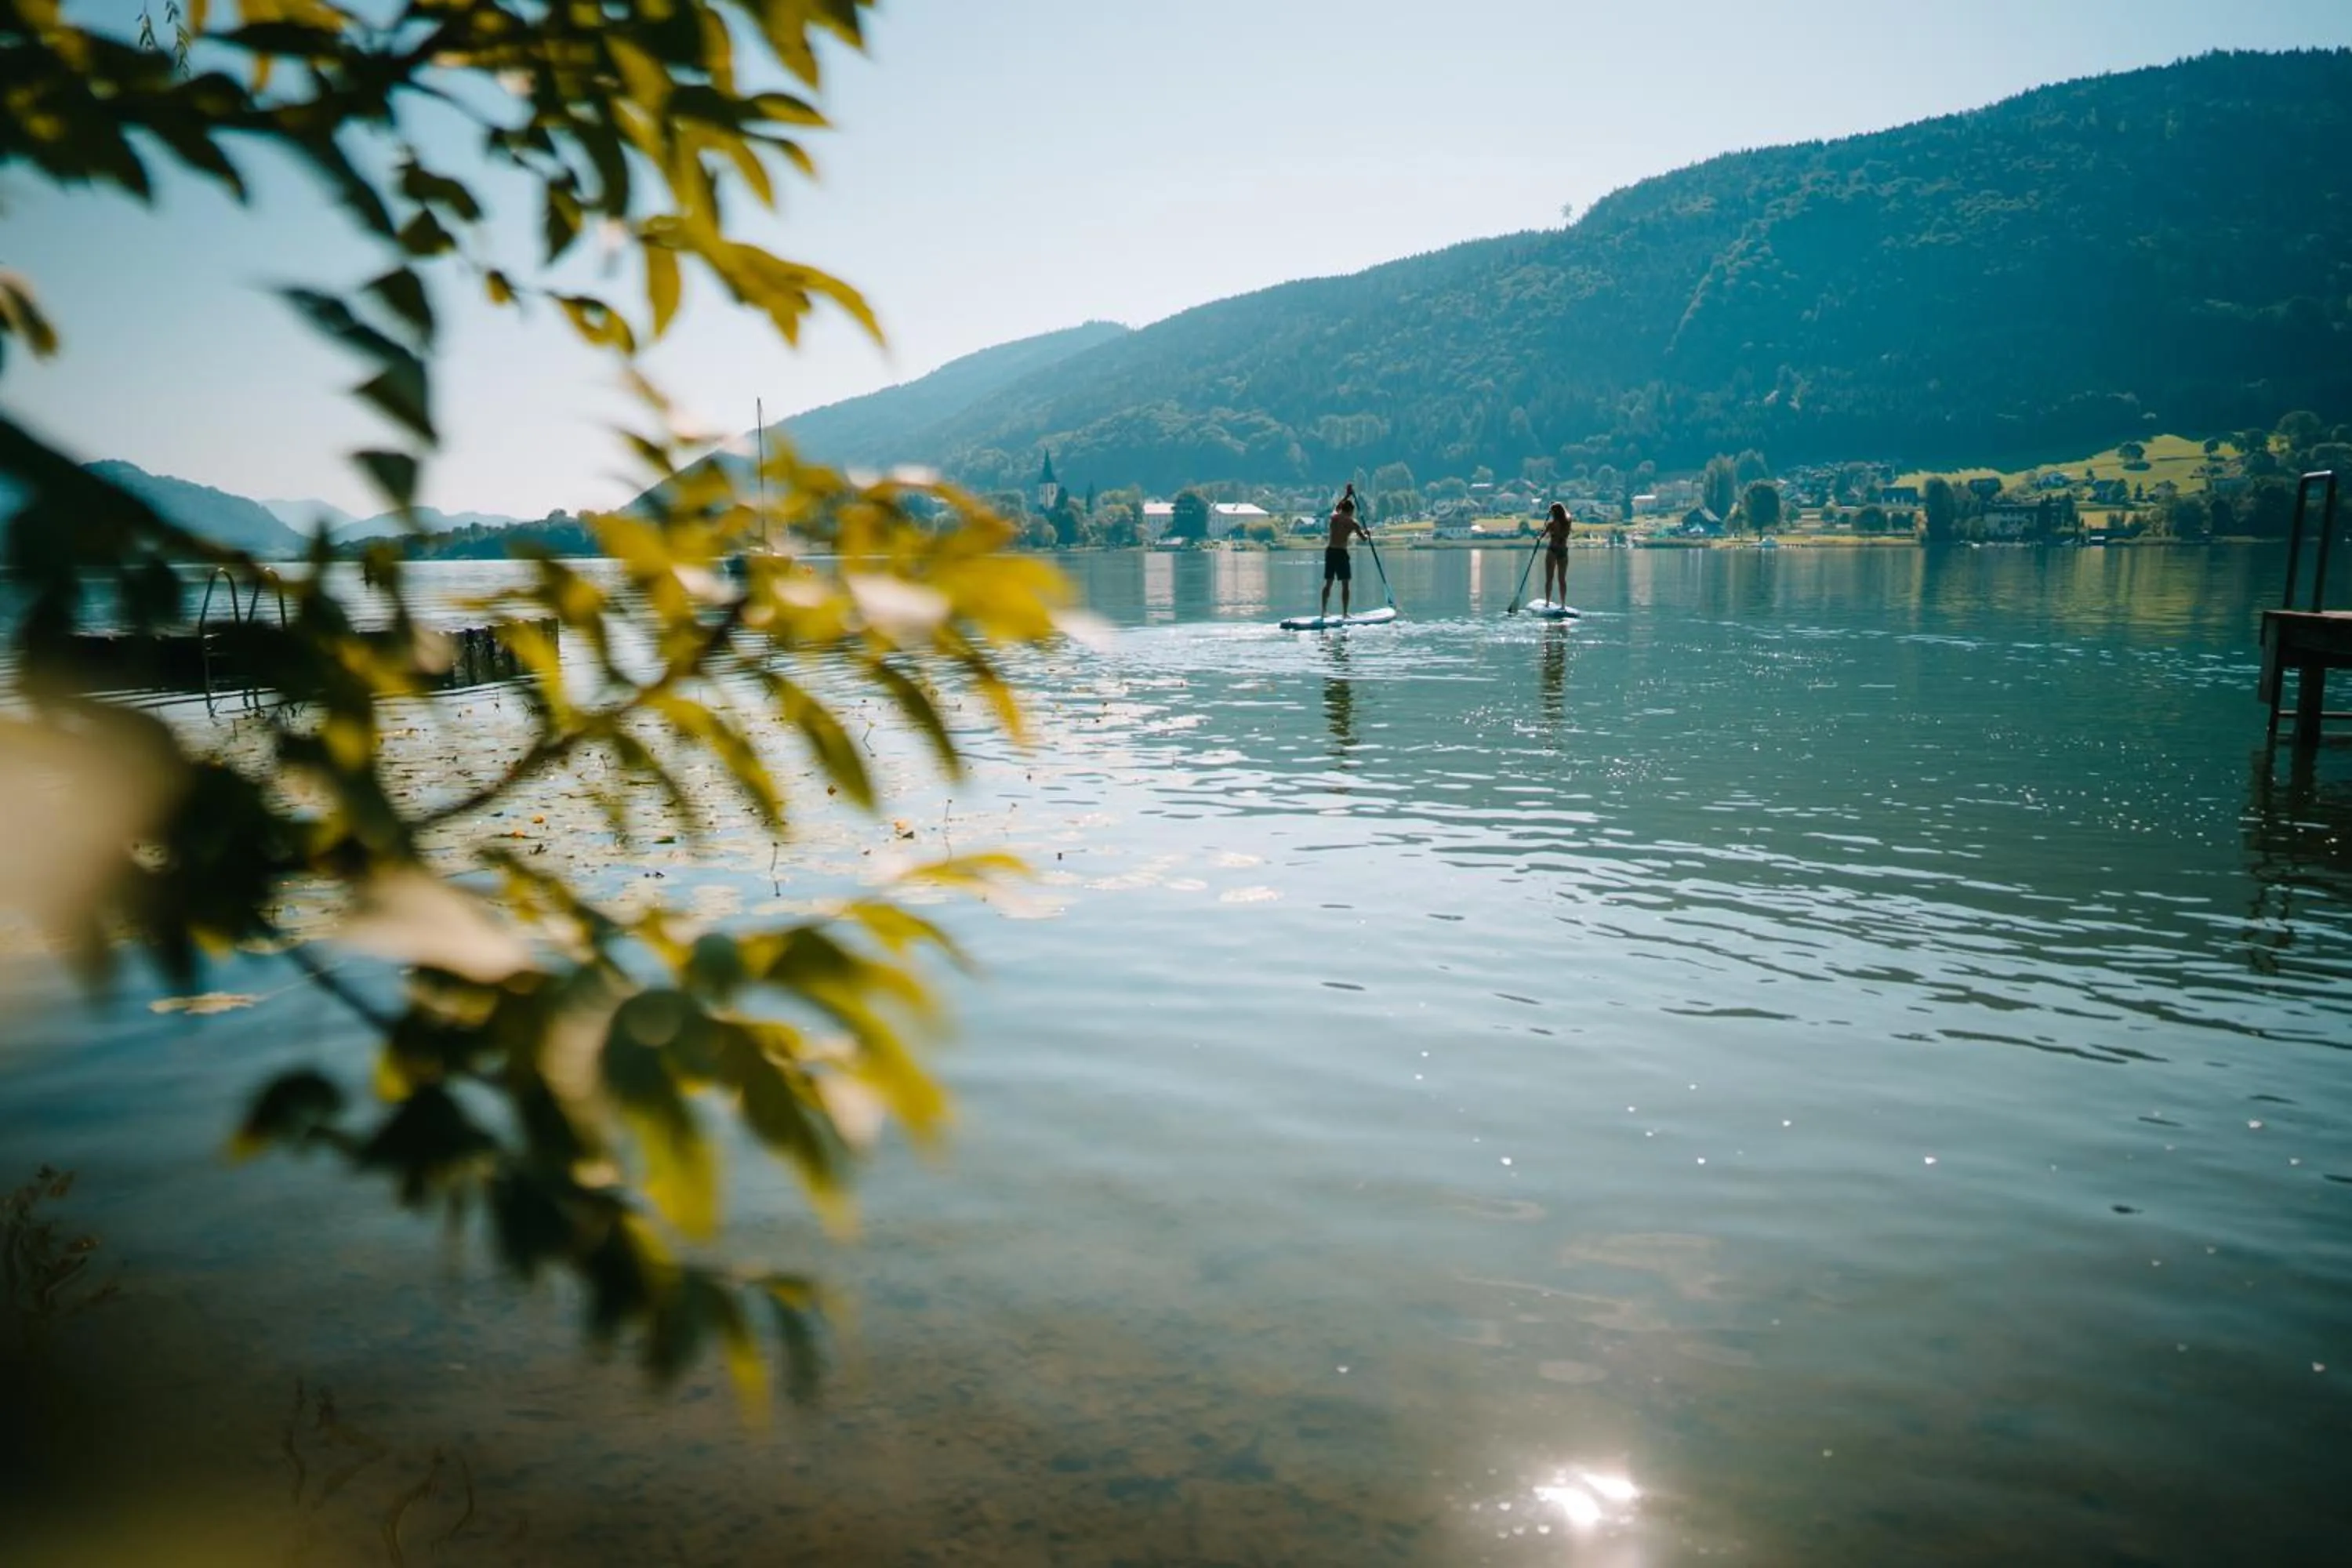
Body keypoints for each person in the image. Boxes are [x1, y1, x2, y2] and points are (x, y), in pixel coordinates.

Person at [1320, 485, 1370, 620]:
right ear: (1351, 512)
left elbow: (1337, 507)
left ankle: (1324, 611)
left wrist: (1347, 495)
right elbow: (1364, 539)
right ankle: (1344, 613)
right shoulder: (1353, 523)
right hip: (1341, 554)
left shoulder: (1334, 517)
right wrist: (1368, 534)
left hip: (1330, 552)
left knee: (1328, 583)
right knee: (1345, 584)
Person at [1538, 502, 1573, 606]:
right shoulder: (1568, 523)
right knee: (1562, 579)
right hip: (1563, 551)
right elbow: (1568, 515)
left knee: (1549, 578)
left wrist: (1538, 537)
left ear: (1554, 513)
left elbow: (1542, 536)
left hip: (1552, 551)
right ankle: (1563, 604)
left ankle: (1548, 603)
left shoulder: (1550, 525)